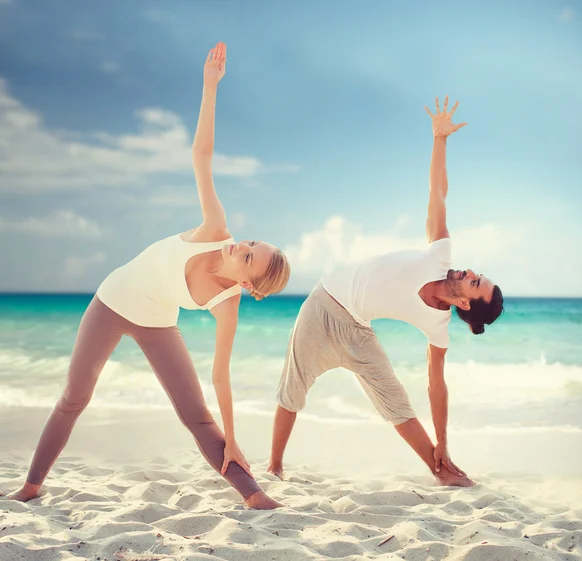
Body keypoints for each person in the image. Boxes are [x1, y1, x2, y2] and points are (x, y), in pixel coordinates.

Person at [5, 42, 290, 509]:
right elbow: (202, 156)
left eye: (249, 258)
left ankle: (255, 497)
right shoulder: (216, 231)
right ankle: (32, 486)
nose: (243, 246)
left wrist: (234, 439)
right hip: (112, 302)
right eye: (253, 244)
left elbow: (222, 377)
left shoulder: (228, 304)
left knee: (197, 417)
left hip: (157, 321)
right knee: (74, 399)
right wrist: (210, 87)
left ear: (248, 285)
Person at [268, 96, 503, 486]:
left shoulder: (438, 327)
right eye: (477, 275)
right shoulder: (439, 252)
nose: (471, 272)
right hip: (323, 303)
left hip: (358, 329)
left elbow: (436, 385)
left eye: (475, 283)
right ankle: (274, 469)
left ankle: (442, 469)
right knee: (292, 391)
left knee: (398, 404)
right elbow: (437, 193)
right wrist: (440, 139)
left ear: (465, 302)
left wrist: (443, 440)